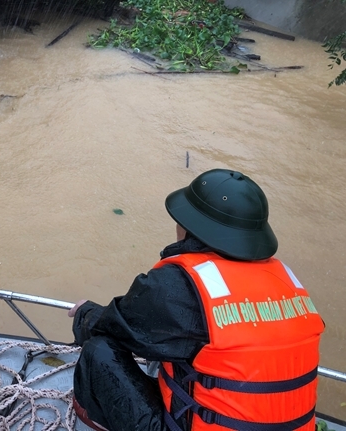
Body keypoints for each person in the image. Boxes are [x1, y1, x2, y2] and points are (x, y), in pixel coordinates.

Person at [68, 169, 325, 431]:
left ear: (191, 227)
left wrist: (84, 314)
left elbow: (115, 326)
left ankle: (95, 421)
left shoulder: (181, 285)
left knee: (99, 350)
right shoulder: (289, 282)